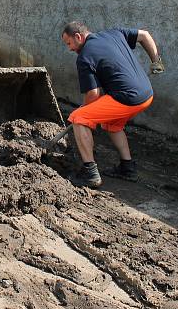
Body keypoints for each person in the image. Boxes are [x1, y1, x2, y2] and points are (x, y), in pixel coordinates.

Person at [61, 21, 165, 188]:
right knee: (112, 125)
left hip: (127, 98)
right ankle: (128, 168)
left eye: (69, 43)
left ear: (78, 37)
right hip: (146, 94)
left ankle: (90, 173)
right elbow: (144, 35)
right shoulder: (114, 33)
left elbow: (93, 94)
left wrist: (84, 109)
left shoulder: (85, 56)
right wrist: (156, 60)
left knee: (78, 117)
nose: (70, 48)